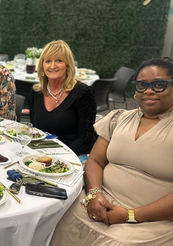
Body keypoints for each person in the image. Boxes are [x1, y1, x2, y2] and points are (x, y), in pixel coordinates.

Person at [51, 57, 173, 246]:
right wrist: (94, 194)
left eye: (159, 84)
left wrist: (130, 215)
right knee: (55, 219)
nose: (149, 90)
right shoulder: (118, 119)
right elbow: (95, 161)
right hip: (97, 202)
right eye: (142, 85)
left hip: (149, 220)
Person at [28, 40, 96, 156]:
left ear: (68, 65)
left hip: (74, 154)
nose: (53, 66)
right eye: (48, 61)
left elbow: (86, 138)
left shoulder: (83, 93)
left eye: (59, 61)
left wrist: (61, 156)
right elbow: (36, 130)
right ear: (42, 66)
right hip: (42, 154)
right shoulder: (36, 93)